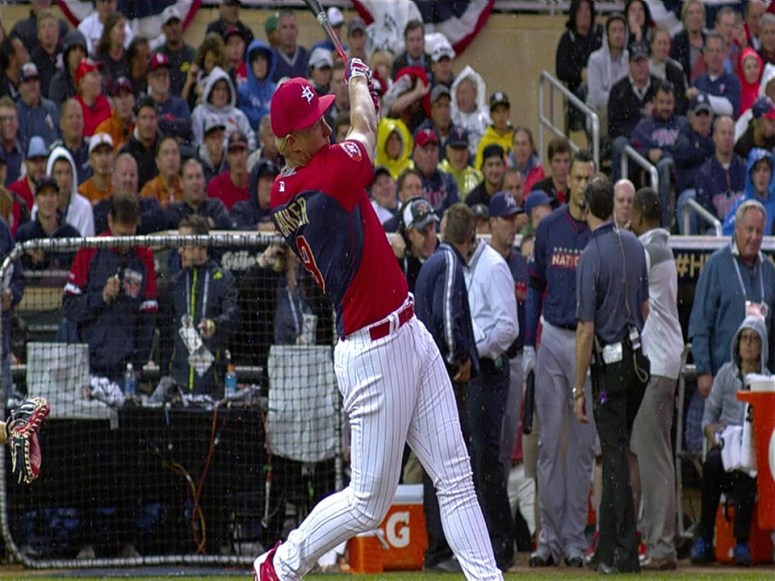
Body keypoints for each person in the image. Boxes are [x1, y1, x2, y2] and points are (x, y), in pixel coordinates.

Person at [253, 65, 502, 580]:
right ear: (290, 142)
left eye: (326, 117)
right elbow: (363, 126)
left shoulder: (299, 179)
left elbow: (354, 129)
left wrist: (361, 95)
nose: (325, 127)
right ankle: (282, 563)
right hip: (372, 351)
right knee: (369, 502)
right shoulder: (321, 179)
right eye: (315, 124)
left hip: (407, 330)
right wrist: (360, 82)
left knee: (455, 476)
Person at [574, 174, 649, 575]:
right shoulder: (635, 244)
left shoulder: (590, 255)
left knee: (615, 458)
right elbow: (645, 306)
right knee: (616, 450)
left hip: (611, 366)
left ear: (587, 208)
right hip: (638, 361)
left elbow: (586, 329)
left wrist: (577, 388)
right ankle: (606, 551)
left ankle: (625, 552)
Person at [525, 151, 595, 568]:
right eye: (580, 177)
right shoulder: (549, 227)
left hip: (587, 344)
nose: (584, 184)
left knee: (582, 450)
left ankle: (574, 539)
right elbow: (534, 285)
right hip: (551, 338)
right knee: (550, 446)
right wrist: (531, 344)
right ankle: (547, 538)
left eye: (590, 177)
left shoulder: (601, 231)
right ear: (568, 181)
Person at [414, 203, 479, 574]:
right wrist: (461, 360)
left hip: (425, 375)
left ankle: (438, 548)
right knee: (452, 468)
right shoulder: (451, 263)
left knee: (435, 469)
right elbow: (448, 320)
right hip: (444, 378)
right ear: (470, 236)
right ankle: (443, 549)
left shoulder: (431, 263)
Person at [628, 187, 683, 571]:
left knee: (655, 456)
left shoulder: (648, 251)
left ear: (640, 214)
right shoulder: (660, 247)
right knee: (652, 451)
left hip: (659, 363)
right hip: (665, 360)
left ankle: (662, 545)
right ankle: (657, 538)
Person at [465, 196, 520, 571]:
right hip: (474, 371)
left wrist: (474, 348)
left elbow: (509, 328)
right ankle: (486, 543)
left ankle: (502, 545)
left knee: (488, 457)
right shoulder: (468, 264)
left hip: (491, 369)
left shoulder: (493, 266)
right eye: (507, 218)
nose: (513, 225)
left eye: (515, 219)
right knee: (476, 457)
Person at [689, 315, 765, 567]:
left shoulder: (767, 381)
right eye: (744, 338)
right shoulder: (724, 375)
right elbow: (708, 419)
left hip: (751, 454)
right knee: (712, 465)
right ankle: (704, 539)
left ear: (762, 345)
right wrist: (714, 435)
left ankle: (741, 543)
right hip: (724, 447)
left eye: (754, 339)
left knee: (747, 472)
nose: (748, 344)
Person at [62, 191, 157, 384]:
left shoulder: (144, 255)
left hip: (125, 371)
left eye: (130, 236)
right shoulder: (90, 249)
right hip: (88, 368)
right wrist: (101, 297)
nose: (126, 243)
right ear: (110, 222)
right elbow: (69, 306)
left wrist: (138, 367)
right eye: (121, 236)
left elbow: (148, 317)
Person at [688, 199, 775, 398]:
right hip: (722, 380)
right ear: (736, 229)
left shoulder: (769, 271)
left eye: (759, 231)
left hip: (761, 382)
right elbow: (700, 324)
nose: (754, 237)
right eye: (749, 230)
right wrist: (703, 371)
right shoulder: (716, 266)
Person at [162, 214, 237, 396]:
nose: (180, 250)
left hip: (213, 385)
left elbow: (233, 316)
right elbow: (165, 336)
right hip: (178, 387)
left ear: (201, 244)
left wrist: (214, 325)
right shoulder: (174, 284)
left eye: (185, 244)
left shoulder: (222, 279)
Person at [630, 80, 688, 227]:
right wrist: (648, 153)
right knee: (664, 165)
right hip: (654, 178)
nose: (666, 107)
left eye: (669, 102)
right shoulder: (644, 127)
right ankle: (665, 224)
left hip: (682, 173)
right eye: (662, 102)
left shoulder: (683, 124)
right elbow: (632, 152)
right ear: (654, 102)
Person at [609, 41, 660, 182]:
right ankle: (621, 192)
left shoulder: (659, 86)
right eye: (636, 62)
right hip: (630, 143)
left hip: (654, 140)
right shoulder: (618, 90)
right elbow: (612, 127)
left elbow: (671, 116)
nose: (641, 67)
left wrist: (657, 114)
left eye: (643, 61)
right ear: (629, 64)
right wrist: (637, 133)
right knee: (619, 144)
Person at [15, 176, 81, 271]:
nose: (48, 200)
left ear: (58, 199)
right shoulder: (24, 234)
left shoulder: (72, 235)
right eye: (44, 194)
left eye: (52, 194)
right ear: (36, 200)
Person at [556, 0, 602, 130]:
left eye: (587, 10)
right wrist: (581, 73)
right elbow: (561, 69)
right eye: (580, 10)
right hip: (577, 96)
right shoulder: (567, 39)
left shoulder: (599, 35)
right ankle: (593, 135)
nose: (584, 14)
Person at [586, 12, 629, 142]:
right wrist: (620, 102)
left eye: (621, 30)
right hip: (600, 114)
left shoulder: (630, 58)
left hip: (625, 113)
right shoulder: (595, 59)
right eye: (614, 30)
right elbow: (596, 96)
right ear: (607, 34)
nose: (618, 35)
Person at [191, 66, 255, 150]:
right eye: (217, 89)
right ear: (210, 91)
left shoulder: (238, 115)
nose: (221, 93)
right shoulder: (199, 113)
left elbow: (250, 140)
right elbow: (197, 141)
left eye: (224, 89)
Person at [166, 158, 232, 231]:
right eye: (190, 177)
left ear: (204, 180)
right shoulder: (174, 210)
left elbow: (227, 228)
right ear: (181, 182)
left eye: (198, 176)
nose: (195, 182)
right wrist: (207, 223)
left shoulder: (216, 207)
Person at [45, 145, 95, 237]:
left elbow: (87, 247)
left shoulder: (84, 207)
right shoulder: (40, 206)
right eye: (59, 173)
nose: (64, 179)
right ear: (51, 175)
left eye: (68, 172)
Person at [689, 33, 742, 118]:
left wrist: (701, 96)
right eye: (711, 51)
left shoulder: (732, 81)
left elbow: (729, 108)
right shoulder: (699, 81)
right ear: (705, 55)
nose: (715, 55)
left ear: (724, 54)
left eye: (718, 51)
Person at [412, 127, 460, 217]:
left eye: (433, 150)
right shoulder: (408, 182)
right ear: (415, 154)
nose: (430, 154)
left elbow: (455, 214)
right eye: (425, 150)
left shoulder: (448, 181)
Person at [119, 96, 160, 190]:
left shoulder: (164, 149)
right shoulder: (126, 151)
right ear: (136, 121)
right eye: (144, 118)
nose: (148, 124)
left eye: (151, 118)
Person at [155, 6, 195, 97]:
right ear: (163, 29)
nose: (173, 28)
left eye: (176, 23)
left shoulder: (193, 55)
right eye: (169, 24)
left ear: (181, 26)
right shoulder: (157, 55)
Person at [649, 26, 689, 116]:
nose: (662, 47)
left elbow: (683, 94)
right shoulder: (645, 68)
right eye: (659, 43)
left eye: (665, 43)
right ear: (652, 45)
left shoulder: (677, 67)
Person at [17, 62, 59, 146]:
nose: (33, 84)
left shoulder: (51, 108)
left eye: (35, 80)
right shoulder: (15, 113)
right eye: (28, 81)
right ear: (20, 88)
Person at [238, 40, 276, 133]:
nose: (260, 65)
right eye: (256, 60)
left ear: (269, 63)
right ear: (250, 65)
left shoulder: (276, 90)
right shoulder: (242, 91)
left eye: (263, 59)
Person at [206, 131, 250, 210]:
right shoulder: (216, 186)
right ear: (228, 156)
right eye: (234, 153)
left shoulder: (255, 184)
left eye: (242, 151)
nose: (239, 158)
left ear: (248, 153)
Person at [53, 98, 92, 185]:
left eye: (78, 117)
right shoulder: (54, 153)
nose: (75, 121)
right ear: (61, 124)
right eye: (70, 117)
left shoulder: (93, 149)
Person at [231, 158, 278, 231]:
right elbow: (233, 231)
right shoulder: (240, 210)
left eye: (274, 181)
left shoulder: (283, 213)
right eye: (267, 180)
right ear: (255, 184)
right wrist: (258, 229)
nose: (271, 186)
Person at [438, 126, 482, 201]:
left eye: (462, 149)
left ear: (468, 152)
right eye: (455, 149)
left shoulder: (477, 177)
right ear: (447, 151)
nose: (459, 155)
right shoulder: (438, 173)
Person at [474, 92, 514, 170]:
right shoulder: (484, 142)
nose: (501, 116)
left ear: (509, 114)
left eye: (504, 111)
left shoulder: (516, 139)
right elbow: (479, 170)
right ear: (491, 116)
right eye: (497, 112)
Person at [49, 29, 88, 106]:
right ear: (67, 55)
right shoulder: (58, 82)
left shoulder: (91, 79)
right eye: (74, 50)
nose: (78, 55)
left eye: (81, 51)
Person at [94, 76, 135, 152]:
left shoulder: (138, 127)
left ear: (133, 100)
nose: (124, 102)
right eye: (119, 97)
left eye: (126, 95)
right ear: (112, 102)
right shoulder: (103, 130)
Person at [29, 10, 63, 100]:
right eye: (43, 27)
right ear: (39, 34)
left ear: (57, 31)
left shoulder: (66, 53)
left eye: (50, 26)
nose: (47, 30)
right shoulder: (34, 58)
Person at [73, 58, 111, 138]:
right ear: (81, 82)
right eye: (94, 75)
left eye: (98, 74)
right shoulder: (74, 107)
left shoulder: (106, 104)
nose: (99, 78)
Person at [672, 0, 706, 82]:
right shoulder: (678, 41)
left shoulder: (708, 40)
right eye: (691, 13)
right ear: (685, 18)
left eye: (698, 12)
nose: (695, 16)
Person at [530, 137, 571, 206]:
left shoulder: (576, 191)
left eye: (566, 161)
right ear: (550, 162)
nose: (562, 167)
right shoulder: (539, 190)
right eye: (557, 161)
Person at [270, 10, 309, 83]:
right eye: (284, 27)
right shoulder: (271, 57)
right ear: (278, 32)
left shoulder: (306, 56)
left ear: (297, 31)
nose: (289, 32)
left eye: (292, 27)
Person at [78, 132, 115, 204]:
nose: (103, 159)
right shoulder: (82, 193)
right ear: (91, 159)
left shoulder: (119, 188)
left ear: (113, 157)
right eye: (99, 153)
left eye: (107, 152)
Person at [507, 128, 544, 193]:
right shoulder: (505, 169)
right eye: (517, 144)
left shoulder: (539, 171)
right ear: (513, 146)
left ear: (531, 147)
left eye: (524, 144)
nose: (520, 148)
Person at [196, 115, 229, 184]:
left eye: (219, 136)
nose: (217, 142)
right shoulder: (198, 164)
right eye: (213, 138)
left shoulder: (229, 161)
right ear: (205, 140)